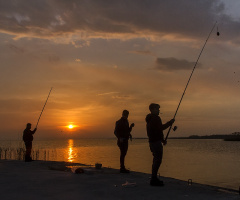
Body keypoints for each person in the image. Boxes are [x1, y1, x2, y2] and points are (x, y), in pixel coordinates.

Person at [145, 103, 175, 186]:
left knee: (155, 160)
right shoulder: (155, 118)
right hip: (155, 143)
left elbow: (157, 130)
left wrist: (162, 140)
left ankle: (153, 178)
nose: (159, 110)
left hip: (152, 142)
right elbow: (160, 128)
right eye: (157, 109)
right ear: (153, 109)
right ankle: (153, 179)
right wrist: (170, 122)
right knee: (158, 160)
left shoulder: (149, 118)